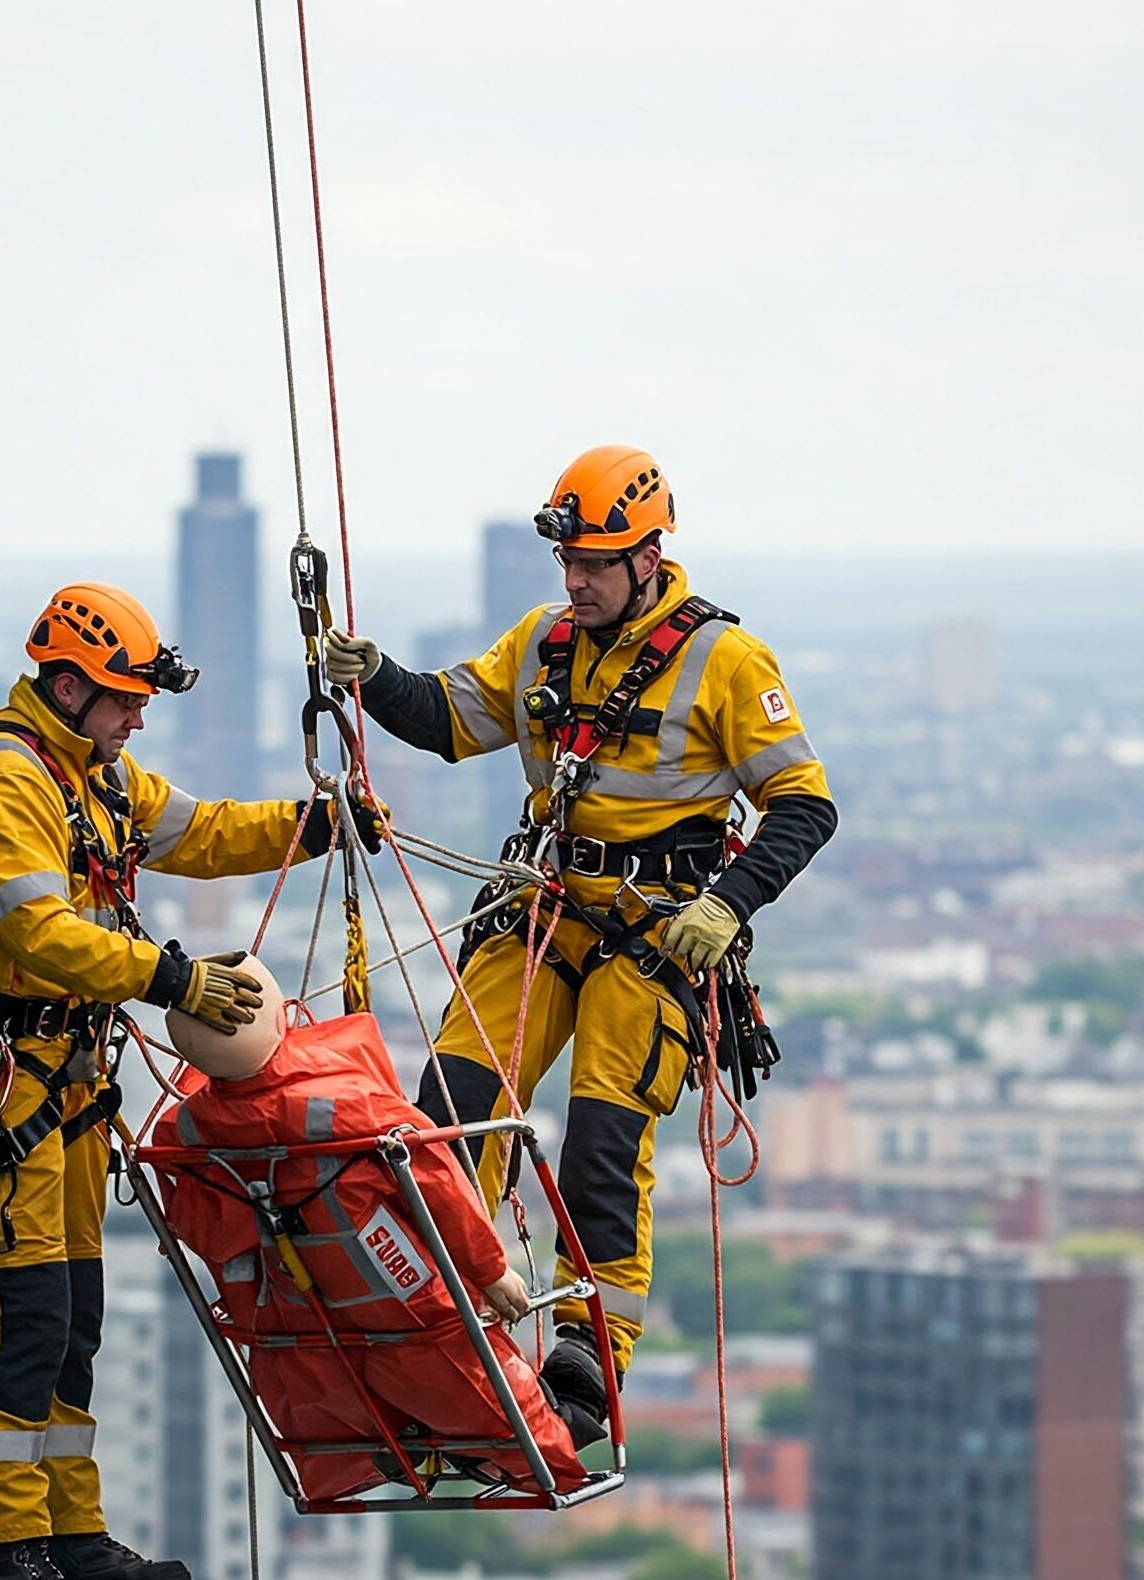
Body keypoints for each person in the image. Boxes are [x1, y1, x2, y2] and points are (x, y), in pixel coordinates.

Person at [324, 446, 836, 1425]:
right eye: (569, 563)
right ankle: (443, 1323)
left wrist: (726, 901)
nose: (576, 581)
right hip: (545, 916)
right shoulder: (542, 642)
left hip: (653, 939)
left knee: (601, 1141)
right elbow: (447, 718)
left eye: (595, 563)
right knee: (448, 1112)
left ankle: (584, 1360)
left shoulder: (724, 661)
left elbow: (802, 805)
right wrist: (375, 675)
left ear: (649, 554)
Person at [0, 581, 379, 1580]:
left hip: (60, 1089)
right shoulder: (1, 785)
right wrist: (169, 978)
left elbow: (203, 830)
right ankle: (2, 1549)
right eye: (125, 699)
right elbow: (39, 934)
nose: (138, 717)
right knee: (23, 1320)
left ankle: (69, 1528)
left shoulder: (96, 773)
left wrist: (313, 826)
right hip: (4, 1085)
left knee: (72, 1313)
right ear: (71, 684)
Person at [153, 955, 587, 1503]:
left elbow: (200, 1230)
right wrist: (493, 1271)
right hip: (403, 1304)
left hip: (298, 1329)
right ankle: (519, 1443)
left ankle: (409, 1444)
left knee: (364, 1387)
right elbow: (438, 1186)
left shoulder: (183, 1135)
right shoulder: (349, 1106)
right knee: (494, 1401)